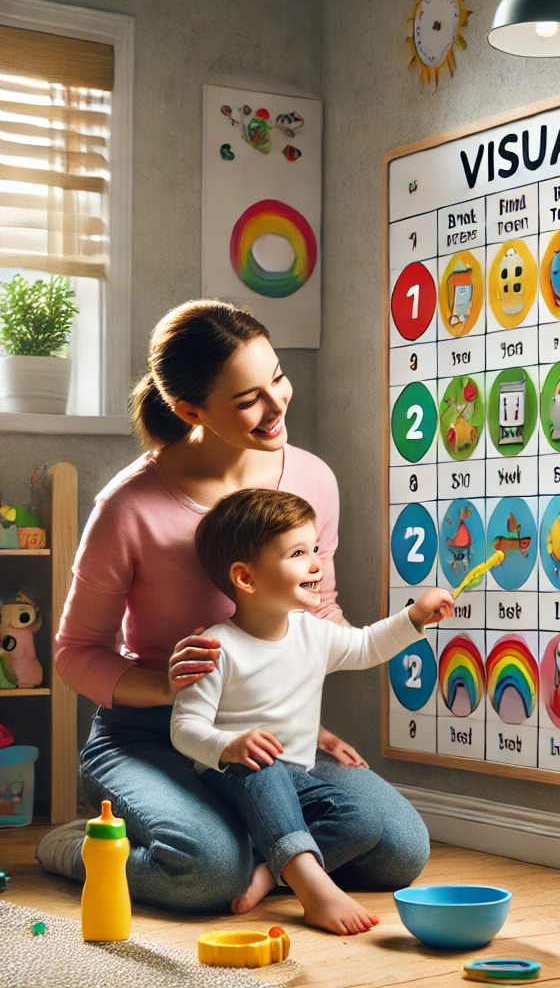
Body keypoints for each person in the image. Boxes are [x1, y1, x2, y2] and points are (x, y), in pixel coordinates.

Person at [38, 300, 432, 913]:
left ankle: (266, 856)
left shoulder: (312, 479)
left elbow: (317, 612)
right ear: (190, 410)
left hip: (265, 739)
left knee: (400, 849)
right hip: (147, 736)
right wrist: (177, 689)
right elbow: (73, 654)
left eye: (277, 377)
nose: (277, 406)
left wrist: (290, 703)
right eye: (249, 398)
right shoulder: (129, 507)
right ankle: (83, 848)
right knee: (205, 871)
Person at [172, 488, 452, 934]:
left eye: (315, 549)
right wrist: (229, 744)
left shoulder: (313, 633)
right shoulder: (217, 647)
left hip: (298, 776)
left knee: (364, 819)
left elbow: (365, 646)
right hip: (230, 776)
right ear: (246, 579)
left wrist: (414, 617)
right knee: (261, 765)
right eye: (299, 553)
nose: (317, 564)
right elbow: (185, 729)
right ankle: (312, 891)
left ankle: (269, 870)